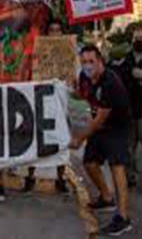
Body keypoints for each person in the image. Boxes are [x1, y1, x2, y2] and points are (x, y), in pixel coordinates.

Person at [70, 44, 132, 236]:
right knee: (89, 163)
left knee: (117, 168)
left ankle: (123, 218)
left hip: (116, 127)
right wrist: (71, 90)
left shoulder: (109, 82)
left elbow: (99, 119)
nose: (87, 66)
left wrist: (79, 138)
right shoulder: (84, 77)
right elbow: (82, 98)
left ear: (100, 61)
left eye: (91, 61)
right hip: (99, 127)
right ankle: (106, 197)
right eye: (84, 62)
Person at [22, 18, 69, 194]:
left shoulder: (69, 52)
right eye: (52, 30)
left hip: (60, 102)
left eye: (58, 30)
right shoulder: (38, 51)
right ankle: (30, 176)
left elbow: (74, 79)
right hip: (41, 100)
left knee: (61, 139)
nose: (55, 33)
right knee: (36, 140)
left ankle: (61, 178)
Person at [121, 25, 142, 188]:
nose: (138, 41)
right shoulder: (125, 59)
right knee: (129, 145)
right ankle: (130, 176)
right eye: (136, 38)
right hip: (129, 111)